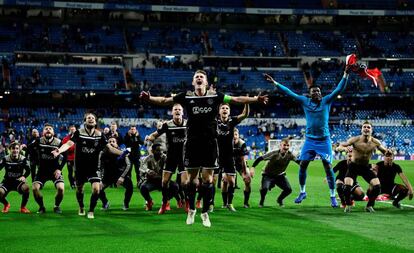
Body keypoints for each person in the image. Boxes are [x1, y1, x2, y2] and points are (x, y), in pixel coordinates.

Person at [140, 69, 268, 227]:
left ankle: (205, 213)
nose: (199, 79)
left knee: (208, 180)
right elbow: (165, 100)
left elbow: (235, 98)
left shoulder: (215, 96)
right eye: (196, 77)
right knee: (190, 182)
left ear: (206, 82)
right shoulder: (186, 96)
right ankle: (192, 210)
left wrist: (255, 99)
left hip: (210, 144)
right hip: (192, 144)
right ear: (193, 82)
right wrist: (149, 98)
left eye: (202, 77)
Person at [264, 64, 350, 207]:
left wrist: (346, 74)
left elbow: (339, 88)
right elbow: (289, 92)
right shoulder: (305, 101)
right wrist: (275, 83)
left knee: (328, 166)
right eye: (314, 91)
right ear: (310, 94)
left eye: (318, 91)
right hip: (310, 140)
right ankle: (303, 191)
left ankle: (333, 195)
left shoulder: (326, 100)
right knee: (303, 165)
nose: (317, 93)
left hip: (324, 140)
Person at [52, 113, 118, 219]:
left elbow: (109, 148)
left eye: (93, 118)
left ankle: (91, 210)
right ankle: (81, 206)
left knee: (96, 189)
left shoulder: (100, 135)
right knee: (80, 189)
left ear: (95, 122)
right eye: (88, 118)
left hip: (94, 167)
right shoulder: (79, 133)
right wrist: (59, 150)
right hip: (80, 167)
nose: (91, 119)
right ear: (85, 121)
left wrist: (122, 153)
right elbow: (69, 144)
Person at [146, 104, 188, 214]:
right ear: (172, 112)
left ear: (182, 113)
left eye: (180, 109)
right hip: (171, 157)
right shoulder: (167, 125)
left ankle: (188, 203)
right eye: (175, 110)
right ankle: (165, 203)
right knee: (164, 182)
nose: (177, 111)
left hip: (184, 157)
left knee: (185, 183)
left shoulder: (188, 124)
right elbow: (154, 135)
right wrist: (150, 139)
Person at [337, 121, 388, 213]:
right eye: (364, 127)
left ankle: (369, 206)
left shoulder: (375, 142)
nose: (366, 129)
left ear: (371, 130)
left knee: (377, 186)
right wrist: (344, 148)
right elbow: (339, 147)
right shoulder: (355, 140)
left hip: (365, 167)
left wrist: (389, 152)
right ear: (361, 129)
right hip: (353, 166)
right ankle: (348, 204)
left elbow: (385, 151)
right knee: (347, 187)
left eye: (368, 127)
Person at [251, 137, 300, 207]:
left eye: (288, 145)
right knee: (264, 188)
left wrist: (305, 163)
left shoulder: (290, 155)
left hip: (280, 175)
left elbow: (298, 162)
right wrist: (253, 167)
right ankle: (262, 201)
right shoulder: (274, 153)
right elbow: (260, 158)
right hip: (268, 175)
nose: (286, 147)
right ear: (280, 146)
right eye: (284, 145)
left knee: (288, 190)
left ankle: (279, 200)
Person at [218, 103, 249, 212]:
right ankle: (210, 204)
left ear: (229, 112)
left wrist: (247, 102)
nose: (225, 110)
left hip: (228, 156)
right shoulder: (215, 121)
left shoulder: (232, 121)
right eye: (222, 108)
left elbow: (244, 114)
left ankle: (229, 203)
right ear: (219, 111)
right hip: (216, 155)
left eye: (227, 108)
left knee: (232, 181)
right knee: (210, 181)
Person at [30, 123, 66, 214]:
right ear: (43, 132)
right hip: (42, 171)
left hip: (55, 171)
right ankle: (41, 207)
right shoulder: (38, 141)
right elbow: (29, 149)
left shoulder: (58, 142)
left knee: (61, 189)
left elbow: (65, 156)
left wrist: (59, 169)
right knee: (34, 188)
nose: (48, 130)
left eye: (50, 128)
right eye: (46, 129)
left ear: (53, 132)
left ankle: (56, 206)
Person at [138, 144, 179, 212]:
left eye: (161, 150)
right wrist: (148, 171)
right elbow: (142, 167)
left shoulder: (165, 158)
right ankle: (149, 201)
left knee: (175, 186)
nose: (160, 152)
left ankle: (166, 201)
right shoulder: (147, 158)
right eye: (158, 150)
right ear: (152, 151)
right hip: (151, 181)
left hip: (163, 180)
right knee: (142, 187)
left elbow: (171, 168)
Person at [98, 136, 133, 211]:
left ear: (117, 144)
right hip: (108, 176)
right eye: (109, 142)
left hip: (119, 175)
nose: (111, 143)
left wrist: (122, 177)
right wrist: (100, 179)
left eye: (113, 141)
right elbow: (99, 167)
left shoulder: (122, 152)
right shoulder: (103, 153)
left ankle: (126, 203)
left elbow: (128, 165)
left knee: (130, 186)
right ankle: (105, 203)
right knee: (97, 188)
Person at [0, 142, 31, 214]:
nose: (15, 150)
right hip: (7, 181)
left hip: (18, 181)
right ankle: (6, 204)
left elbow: (28, 171)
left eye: (17, 148)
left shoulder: (23, 159)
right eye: (13, 148)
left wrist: (24, 176)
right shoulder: (5, 159)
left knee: (26, 188)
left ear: (19, 150)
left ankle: (23, 207)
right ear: (9, 150)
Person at [233, 128, 254, 208]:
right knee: (226, 181)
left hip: (240, 164)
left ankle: (246, 203)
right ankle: (226, 203)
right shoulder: (226, 142)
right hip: (229, 163)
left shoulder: (242, 143)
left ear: (238, 135)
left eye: (236, 134)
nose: (234, 136)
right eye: (232, 135)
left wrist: (245, 172)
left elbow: (243, 159)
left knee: (248, 180)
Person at [62, 125, 76, 189]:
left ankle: (75, 182)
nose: (72, 130)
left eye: (74, 129)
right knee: (70, 172)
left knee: (77, 171)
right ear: (69, 130)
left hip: (77, 158)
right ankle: (72, 184)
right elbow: (64, 148)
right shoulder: (65, 138)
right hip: (69, 158)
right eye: (71, 129)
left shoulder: (79, 138)